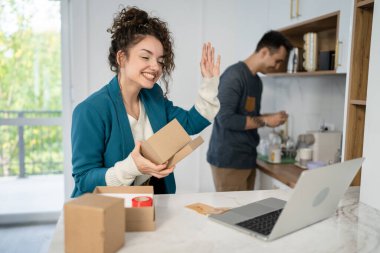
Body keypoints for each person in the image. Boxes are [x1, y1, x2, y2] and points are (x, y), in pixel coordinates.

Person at [71, 6, 221, 197]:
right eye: (145, 57)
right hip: (107, 210)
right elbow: (84, 179)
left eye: (160, 60)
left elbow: (190, 123)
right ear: (121, 58)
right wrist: (132, 167)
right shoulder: (90, 111)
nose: (155, 67)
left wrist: (209, 82)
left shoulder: (153, 96)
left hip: (149, 202)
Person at [207, 30, 292, 192]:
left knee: (244, 214)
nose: (277, 66)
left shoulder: (256, 82)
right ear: (264, 52)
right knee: (232, 215)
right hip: (229, 161)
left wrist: (271, 117)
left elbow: (248, 116)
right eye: (277, 61)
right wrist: (267, 121)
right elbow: (225, 119)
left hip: (247, 158)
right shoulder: (234, 76)